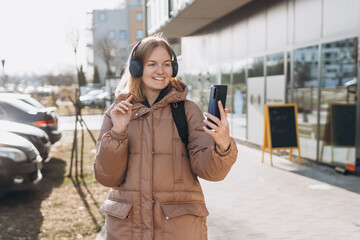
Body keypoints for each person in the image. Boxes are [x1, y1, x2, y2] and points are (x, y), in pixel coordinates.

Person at [94, 34, 238, 240]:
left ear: (174, 68)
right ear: (136, 68)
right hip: (129, 230)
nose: (160, 71)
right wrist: (118, 133)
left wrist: (223, 145)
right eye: (152, 64)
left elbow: (211, 172)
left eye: (166, 64)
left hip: (177, 230)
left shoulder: (187, 111)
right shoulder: (116, 112)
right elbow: (106, 177)